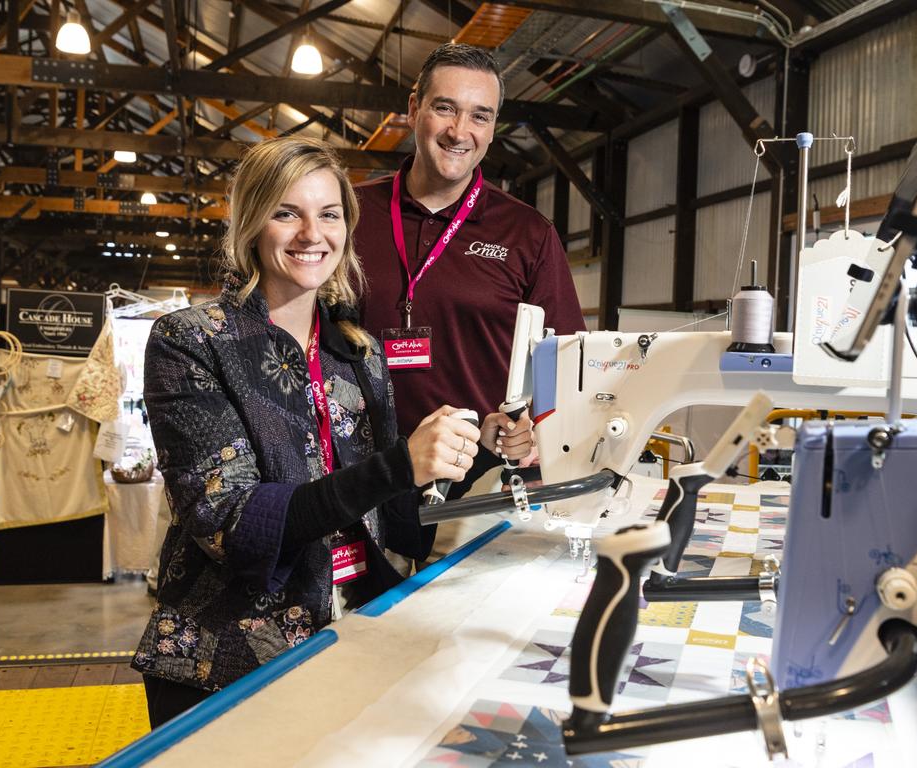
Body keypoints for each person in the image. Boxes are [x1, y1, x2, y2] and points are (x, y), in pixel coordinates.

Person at [132, 137, 532, 728]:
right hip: (229, 659)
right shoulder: (191, 341)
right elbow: (229, 520)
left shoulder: (355, 351)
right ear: (250, 224)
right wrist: (401, 463)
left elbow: (390, 509)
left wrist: (473, 453)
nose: (310, 234)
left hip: (350, 630)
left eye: (329, 214)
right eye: (285, 212)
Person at [354, 43, 586, 441]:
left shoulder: (528, 233)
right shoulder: (348, 213)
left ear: (493, 128)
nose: (459, 132)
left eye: (480, 116)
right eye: (445, 108)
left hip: (475, 477)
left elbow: (565, 360)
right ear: (413, 109)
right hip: (356, 474)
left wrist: (534, 430)